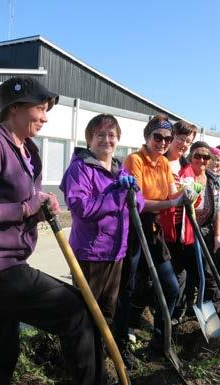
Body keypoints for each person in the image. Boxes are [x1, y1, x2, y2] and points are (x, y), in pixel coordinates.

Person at [0, 76, 105, 385]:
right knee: (76, 310)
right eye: (40, 109)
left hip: (3, 262)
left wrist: (37, 210)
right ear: (15, 108)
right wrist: (23, 209)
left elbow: (15, 201)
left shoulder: (26, 149)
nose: (45, 117)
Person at [114, 114, 195, 359]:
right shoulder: (135, 160)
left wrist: (191, 192)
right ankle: (120, 344)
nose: (162, 142)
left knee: (171, 288)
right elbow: (137, 203)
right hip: (134, 229)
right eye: (157, 137)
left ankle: (159, 343)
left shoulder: (163, 164)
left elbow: (173, 192)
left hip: (154, 230)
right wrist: (172, 201)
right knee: (127, 289)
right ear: (147, 137)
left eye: (167, 138)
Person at [60, 114, 144, 324]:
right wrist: (118, 195)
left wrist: (133, 192)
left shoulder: (119, 169)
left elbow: (139, 205)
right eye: (100, 134)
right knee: (85, 314)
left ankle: (100, 355)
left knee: (107, 313)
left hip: (116, 252)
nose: (107, 139)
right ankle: (79, 356)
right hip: (91, 254)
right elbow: (81, 207)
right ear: (89, 139)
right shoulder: (80, 169)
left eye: (111, 135)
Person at [188, 141, 220, 313]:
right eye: (198, 156)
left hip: (208, 231)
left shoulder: (213, 181)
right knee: (207, 269)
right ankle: (211, 305)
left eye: (206, 157)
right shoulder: (186, 177)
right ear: (190, 158)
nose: (202, 160)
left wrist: (218, 237)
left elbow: (218, 212)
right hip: (189, 232)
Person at [160, 120, 199, 322]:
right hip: (162, 228)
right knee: (163, 276)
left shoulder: (187, 167)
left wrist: (194, 195)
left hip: (183, 229)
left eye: (188, 142)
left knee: (181, 273)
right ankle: (159, 315)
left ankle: (175, 315)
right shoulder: (160, 161)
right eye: (181, 139)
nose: (184, 144)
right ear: (172, 137)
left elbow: (193, 198)